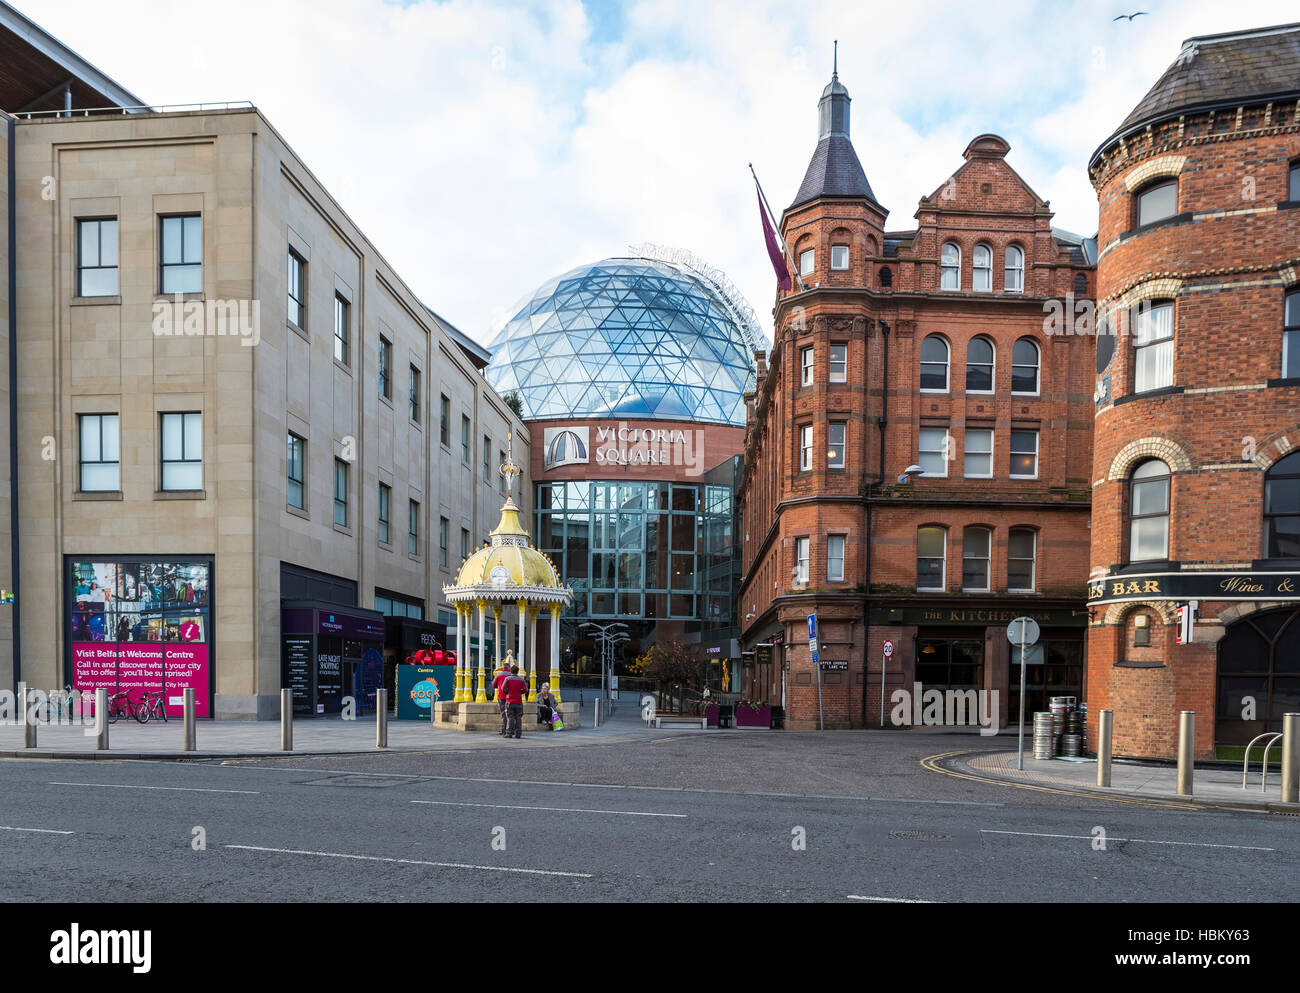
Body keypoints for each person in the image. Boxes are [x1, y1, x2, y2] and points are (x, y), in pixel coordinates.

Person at [501, 664, 528, 739]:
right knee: (518, 717)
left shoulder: (507, 679)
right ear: (518, 672)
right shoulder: (521, 680)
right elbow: (525, 690)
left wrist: (507, 692)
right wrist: (520, 692)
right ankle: (518, 733)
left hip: (510, 700)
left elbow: (503, 688)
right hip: (518, 701)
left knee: (510, 717)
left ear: (511, 671)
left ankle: (509, 733)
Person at [491, 657, 514, 736]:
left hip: (501, 696)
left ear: (503, 668)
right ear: (509, 668)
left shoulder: (499, 675)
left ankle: (503, 730)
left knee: (503, 714)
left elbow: (493, 685)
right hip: (510, 697)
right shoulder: (512, 675)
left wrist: (499, 685)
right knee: (511, 714)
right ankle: (511, 730)